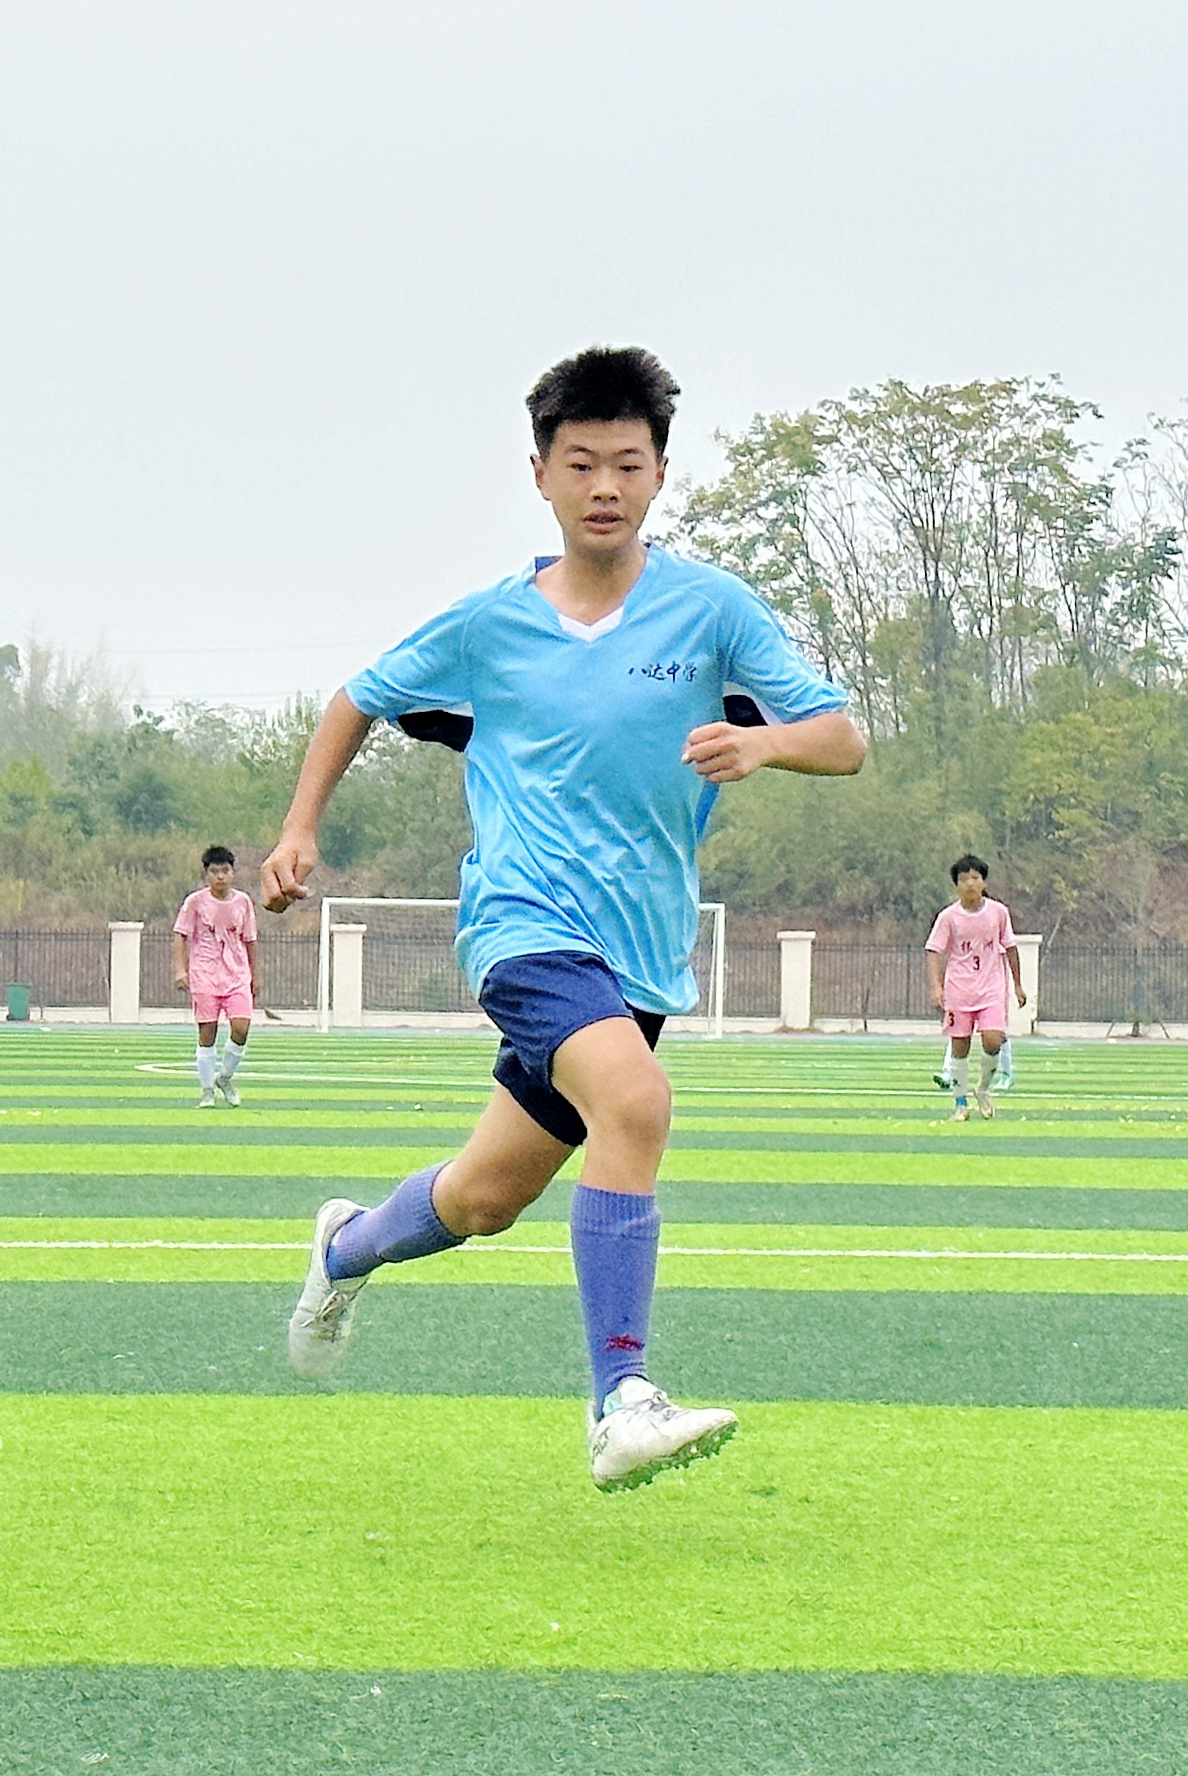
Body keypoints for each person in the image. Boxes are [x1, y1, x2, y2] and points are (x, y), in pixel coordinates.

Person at [264, 346, 865, 1492]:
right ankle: (621, 1398)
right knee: (635, 1101)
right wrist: (298, 831)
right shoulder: (489, 625)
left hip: (639, 955)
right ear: (539, 474)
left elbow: (841, 738)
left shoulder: (711, 610)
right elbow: (356, 697)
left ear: (659, 474)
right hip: (522, 926)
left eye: (627, 464)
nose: (604, 485)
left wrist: (766, 742)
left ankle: (344, 1245)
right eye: (580, 462)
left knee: (485, 1197)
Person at [927, 855, 1025, 1120]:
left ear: (984, 882)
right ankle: (960, 1104)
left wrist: (1017, 984)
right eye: (963, 879)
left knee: (993, 1040)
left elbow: (1010, 947)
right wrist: (936, 986)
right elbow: (934, 950)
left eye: (975, 878)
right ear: (956, 885)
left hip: (991, 988)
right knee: (960, 1047)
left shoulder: (998, 912)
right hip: (959, 990)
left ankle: (982, 1088)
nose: (970, 884)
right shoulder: (948, 917)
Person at [171, 845, 258, 1107]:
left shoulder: (243, 902)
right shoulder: (195, 902)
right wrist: (180, 970)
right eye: (214, 871)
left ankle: (225, 1077)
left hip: (237, 975)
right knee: (207, 1032)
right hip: (205, 976)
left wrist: (256, 975)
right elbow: (180, 935)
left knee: (241, 1027)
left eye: (225, 871)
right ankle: (207, 1090)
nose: (220, 876)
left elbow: (250, 940)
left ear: (233, 873)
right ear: (206, 874)